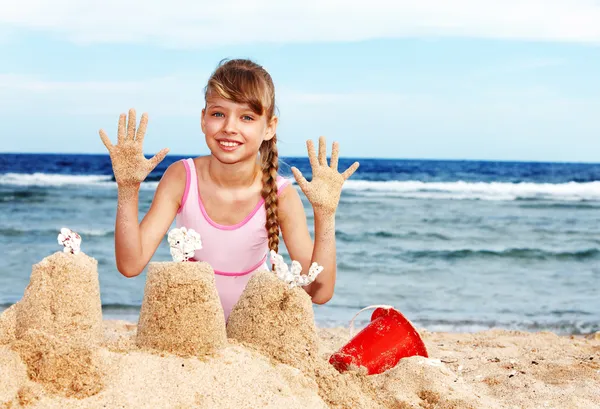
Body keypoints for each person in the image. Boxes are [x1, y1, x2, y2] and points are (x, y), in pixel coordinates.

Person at [99, 59, 359, 319]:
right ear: (203, 119)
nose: (229, 128)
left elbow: (319, 293)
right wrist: (128, 188)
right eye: (218, 114)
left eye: (246, 117)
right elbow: (131, 264)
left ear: (269, 127)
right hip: (191, 327)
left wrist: (325, 214)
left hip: (251, 327)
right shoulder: (181, 177)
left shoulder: (281, 194)